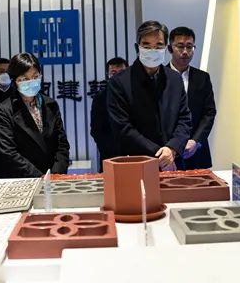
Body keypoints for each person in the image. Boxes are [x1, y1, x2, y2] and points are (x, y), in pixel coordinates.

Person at [107, 20, 191, 171]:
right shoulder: (119, 82)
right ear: (137, 48)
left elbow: (184, 119)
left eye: (158, 46)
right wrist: (159, 154)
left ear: (166, 48)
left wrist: (172, 148)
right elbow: (122, 127)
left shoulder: (174, 79)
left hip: (173, 161)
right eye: (146, 46)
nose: (153, 50)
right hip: (136, 163)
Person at [0, 53, 70, 177]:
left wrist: (56, 174)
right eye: (25, 79)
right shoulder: (4, 110)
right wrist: (39, 176)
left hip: (53, 177)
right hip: (25, 178)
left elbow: (62, 145)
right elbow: (8, 151)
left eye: (35, 77)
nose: (31, 82)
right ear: (15, 81)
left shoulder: (51, 105)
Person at [166, 26, 216, 169]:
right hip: (168, 150)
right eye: (180, 46)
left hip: (196, 151)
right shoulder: (160, 76)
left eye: (189, 47)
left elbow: (209, 113)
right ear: (170, 48)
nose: (185, 51)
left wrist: (196, 140)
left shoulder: (202, 77)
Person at [90, 57, 128, 168]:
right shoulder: (100, 98)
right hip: (109, 157)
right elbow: (96, 130)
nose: (118, 76)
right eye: (113, 73)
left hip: (136, 155)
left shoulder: (137, 95)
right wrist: (111, 151)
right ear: (108, 75)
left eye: (122, 72)